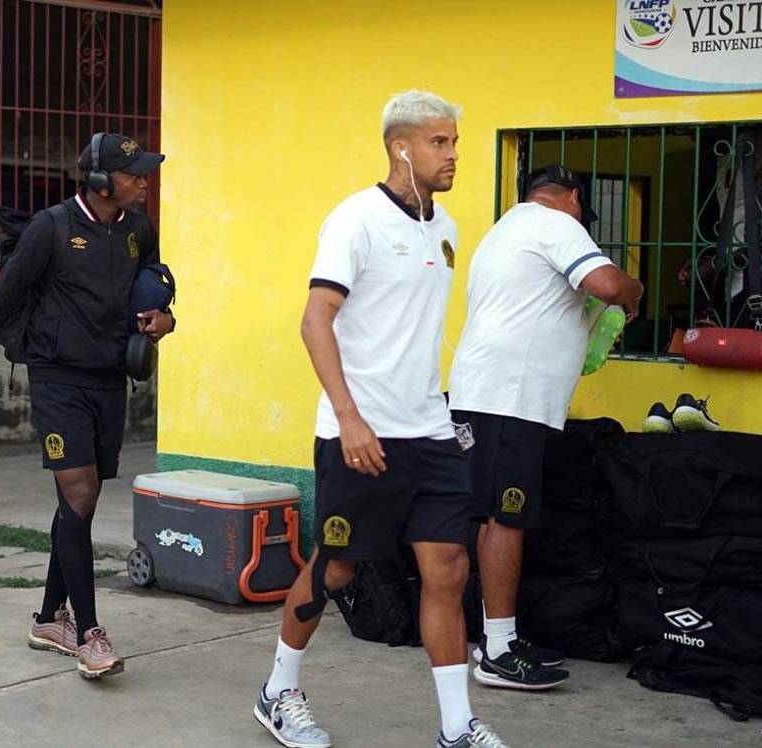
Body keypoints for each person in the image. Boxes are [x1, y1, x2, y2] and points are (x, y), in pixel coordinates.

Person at [252, 90, 509, 748]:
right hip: (358, 435)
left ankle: (457, 727)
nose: (453, 154)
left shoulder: (445, 228)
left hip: (428, 430)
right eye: (439, 142)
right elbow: (316, 320)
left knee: (448, 566)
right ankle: (278, 690)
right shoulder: (356, 221)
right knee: (336, 567)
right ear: (402, 147)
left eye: (454, 141)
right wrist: (350, 417)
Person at [0, 132, 174, 679]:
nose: (144, 182)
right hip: (56, 378)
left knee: (82, 502)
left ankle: (50, 617)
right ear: (101, 180)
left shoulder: (139, 231)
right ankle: (89, 635)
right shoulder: (50, 229)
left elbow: (155, 289)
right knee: (78, 493)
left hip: (108, 378)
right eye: (134, 174)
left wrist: (166, 319)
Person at [448, 164, 643, 690]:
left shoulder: (503, 230)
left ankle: (494, 636)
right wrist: (634, 289)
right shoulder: (556, 225)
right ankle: (498, 651)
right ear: (573, 198)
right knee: (506, 518)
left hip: (482, 395)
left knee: (490, 516)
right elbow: (604, 282)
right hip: (510, 400)